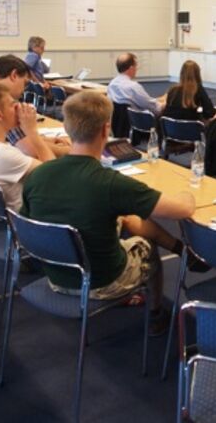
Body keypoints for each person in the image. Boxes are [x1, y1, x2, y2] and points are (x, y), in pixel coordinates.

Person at [21, 92, 200, 335]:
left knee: (123, 217)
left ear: (66, 127)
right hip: (101, 281)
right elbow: (183, 210)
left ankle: (181, 250)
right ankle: (156, 314)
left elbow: (26, 222)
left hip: (57, 277)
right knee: (146, 246)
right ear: (106, 129)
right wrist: (188, 192)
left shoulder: (40, 174)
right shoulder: (111, 183)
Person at [0, 55, 70, 157]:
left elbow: (18, 140)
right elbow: (31, 150)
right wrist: (71, 151)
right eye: (24, 83)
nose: (23, 90)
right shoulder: (1, 104)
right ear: (14, 75)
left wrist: (47, 141)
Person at [0, 84, 54, 211]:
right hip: (26, 215)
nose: (18, 107)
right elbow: (54, 173)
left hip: (10, 212)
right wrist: (32, 131)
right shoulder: (0, 154)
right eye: (13, 105)